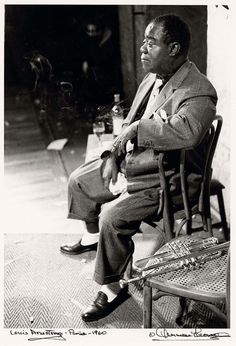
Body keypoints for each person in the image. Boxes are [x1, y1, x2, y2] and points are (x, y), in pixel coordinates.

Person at [60, 14, 217, 321]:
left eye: (151, 42)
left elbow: (188, 132)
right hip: (140, 163)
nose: (143, 48)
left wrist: (133, 133)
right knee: (79, 180)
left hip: (170, 179)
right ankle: (92, 239)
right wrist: (115, 153)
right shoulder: (153, 76)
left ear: (173, 48)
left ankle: (112, 288)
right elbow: (132, 122)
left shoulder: (199, 90)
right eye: (144, 40)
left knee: (113, 219)